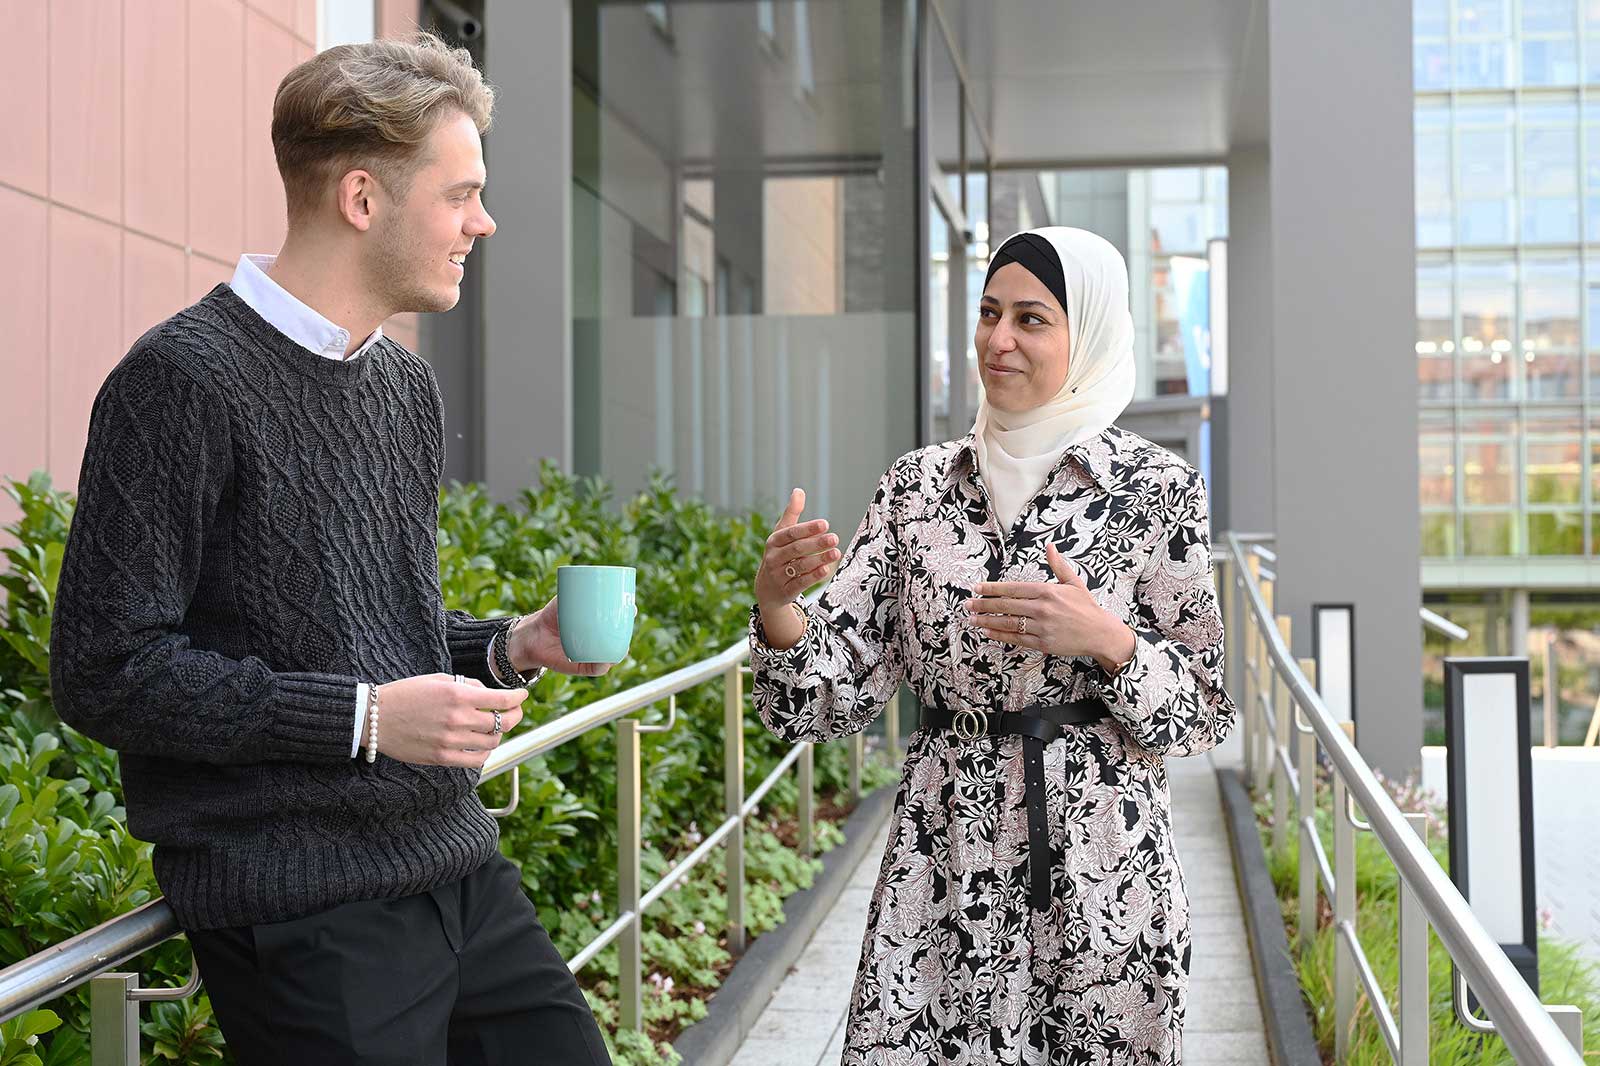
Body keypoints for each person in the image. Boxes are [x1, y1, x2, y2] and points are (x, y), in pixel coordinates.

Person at [49, 34, 612, 1065]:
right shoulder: (178, 382)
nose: (482, 222)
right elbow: (103, 669)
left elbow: (362, 628)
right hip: (302, 916)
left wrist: (507, 646)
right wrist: (364, 720)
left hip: (458, 870)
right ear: (362, 198)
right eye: (461, 195)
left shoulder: (404, 387)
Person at [748, 227, 1235, 1064]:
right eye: (988, 312)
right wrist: (778, 604)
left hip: (1101, 867)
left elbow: (1205, 712)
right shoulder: (916, 488)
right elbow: (826, 696)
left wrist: (1107, 640)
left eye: (1031, 319)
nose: (998, 339)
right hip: (941, 858)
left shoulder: (1155, 491)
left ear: (1087, 336)